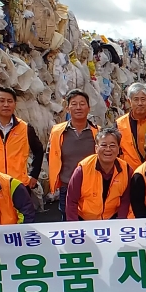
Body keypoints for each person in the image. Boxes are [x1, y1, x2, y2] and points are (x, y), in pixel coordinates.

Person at [47, 89, 99, 219]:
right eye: (74, 104)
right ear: (67, 108)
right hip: (67, 186)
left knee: (92, 220)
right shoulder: (57, 132)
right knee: (69, 224)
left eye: (82, 104)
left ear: (88, 108)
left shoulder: (98, 133)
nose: (78, 107)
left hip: (92, 186)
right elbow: (51, 154)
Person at [64, 128, 133, 221]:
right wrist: (74, 227)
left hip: (112, 219)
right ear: (96, 148)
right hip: (84, 220)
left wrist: (120, 223)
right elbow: (71, 201)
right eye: (103, 145)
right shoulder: (82, 169)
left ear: (118, 149)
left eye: (112, 145)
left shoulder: (126, 170)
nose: (108, 149)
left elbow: (126, 200)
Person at [116, 83, 146, 166]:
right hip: (128, 171)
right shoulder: (120, 123)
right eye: (136, 99)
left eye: (143, 99)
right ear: (129, 102)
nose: (140, 103)